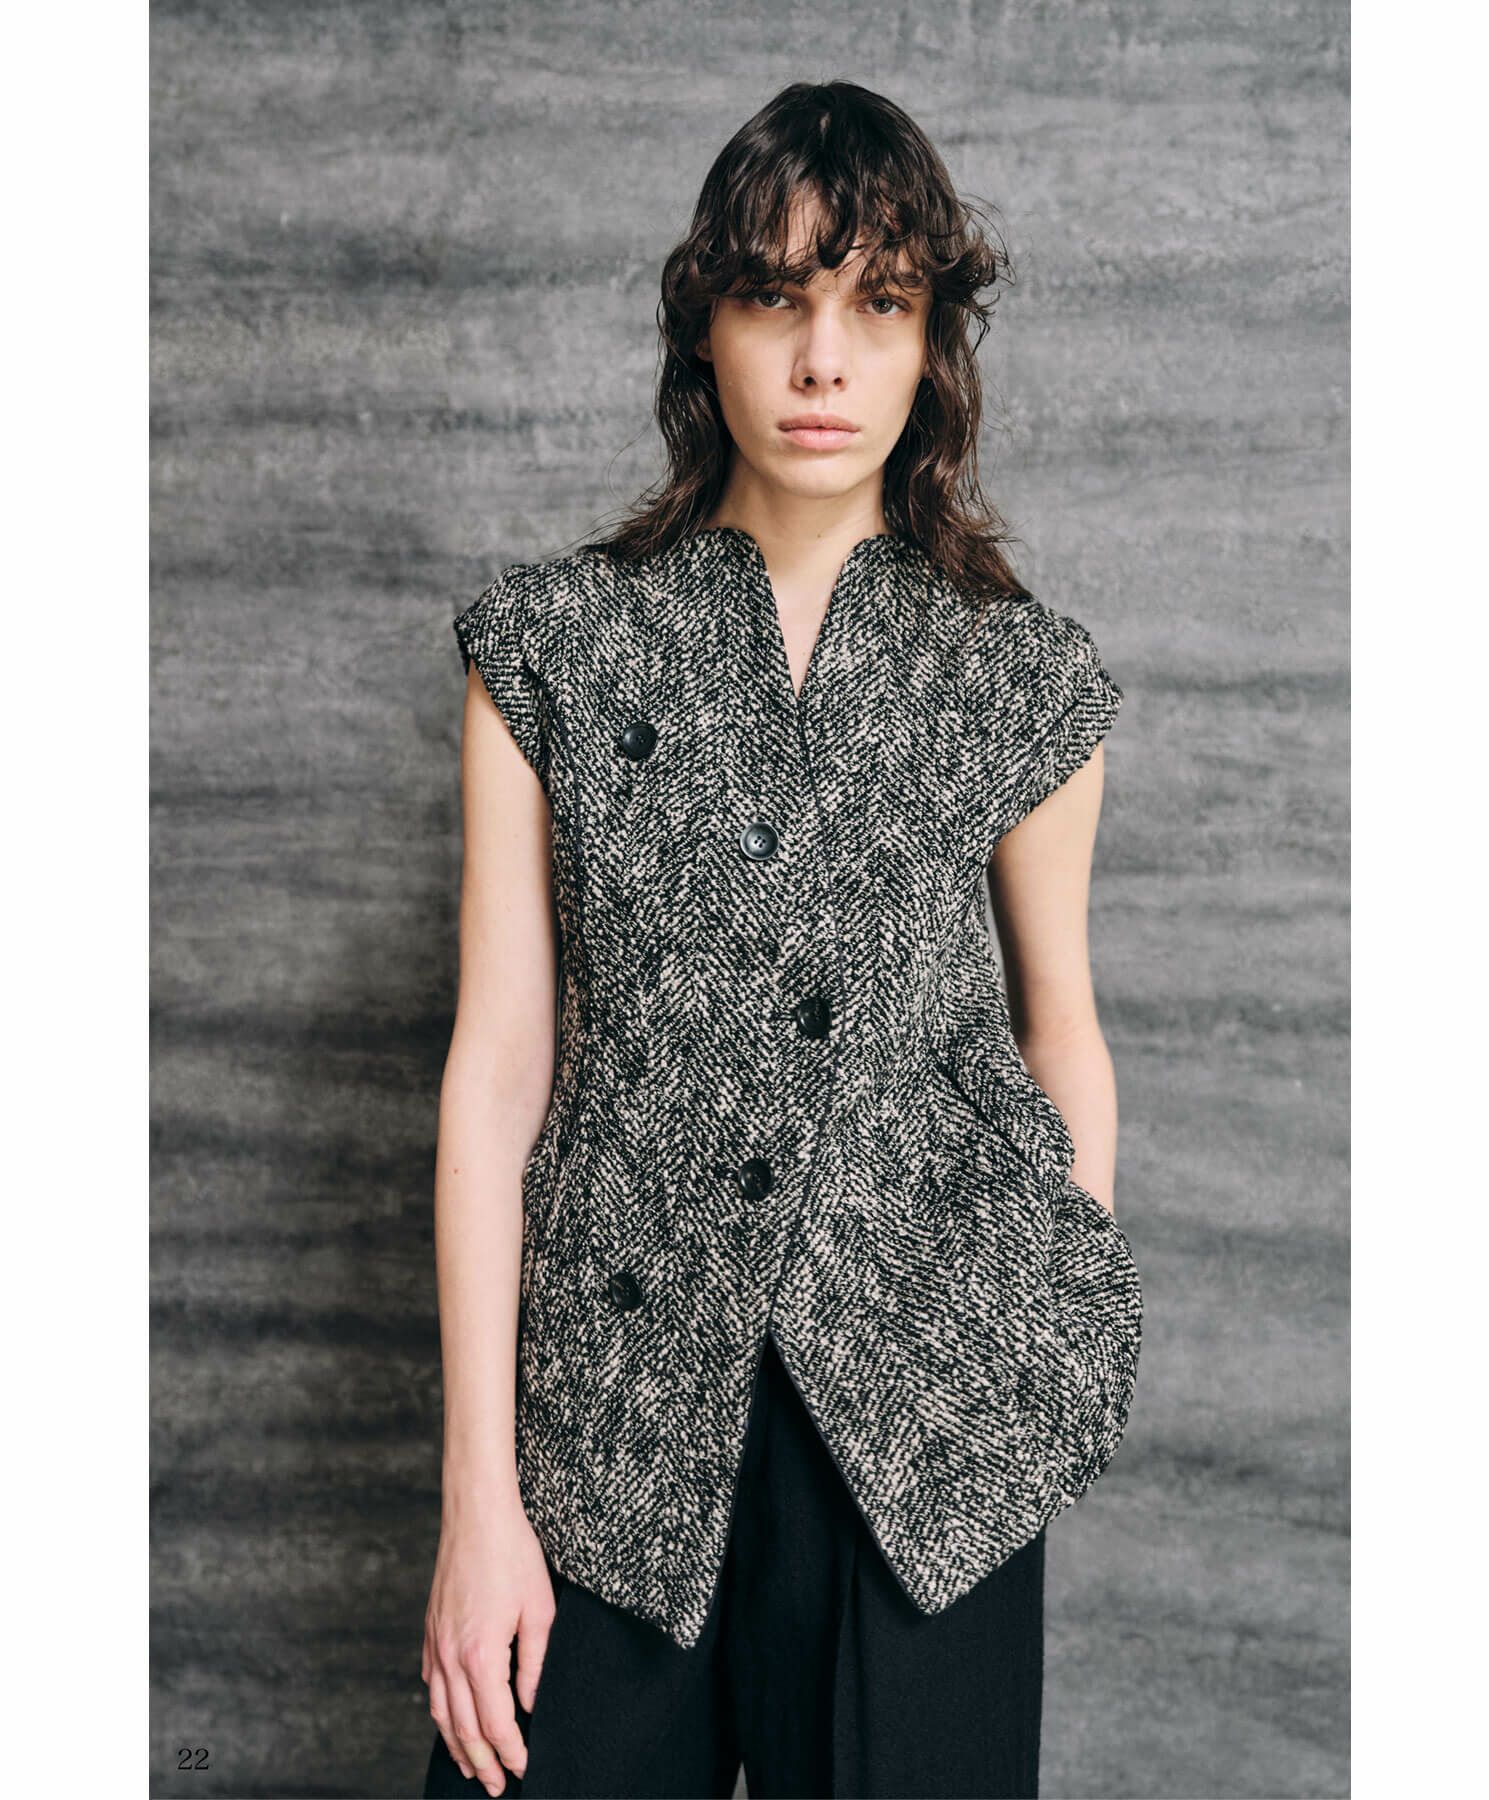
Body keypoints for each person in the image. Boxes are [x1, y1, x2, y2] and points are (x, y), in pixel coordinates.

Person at [420, 80, 1142, 1800]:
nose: (824, 361)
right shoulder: (552, 649)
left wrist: (1040, 1335)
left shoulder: (1023, 675)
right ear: (706, 326)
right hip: (608, 1414)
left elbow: (1062, 1030)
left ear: (932, 344)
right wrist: (478, 1500)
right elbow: (499, 1068)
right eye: (775, 297)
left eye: (878, 303)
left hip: (925, 1415)